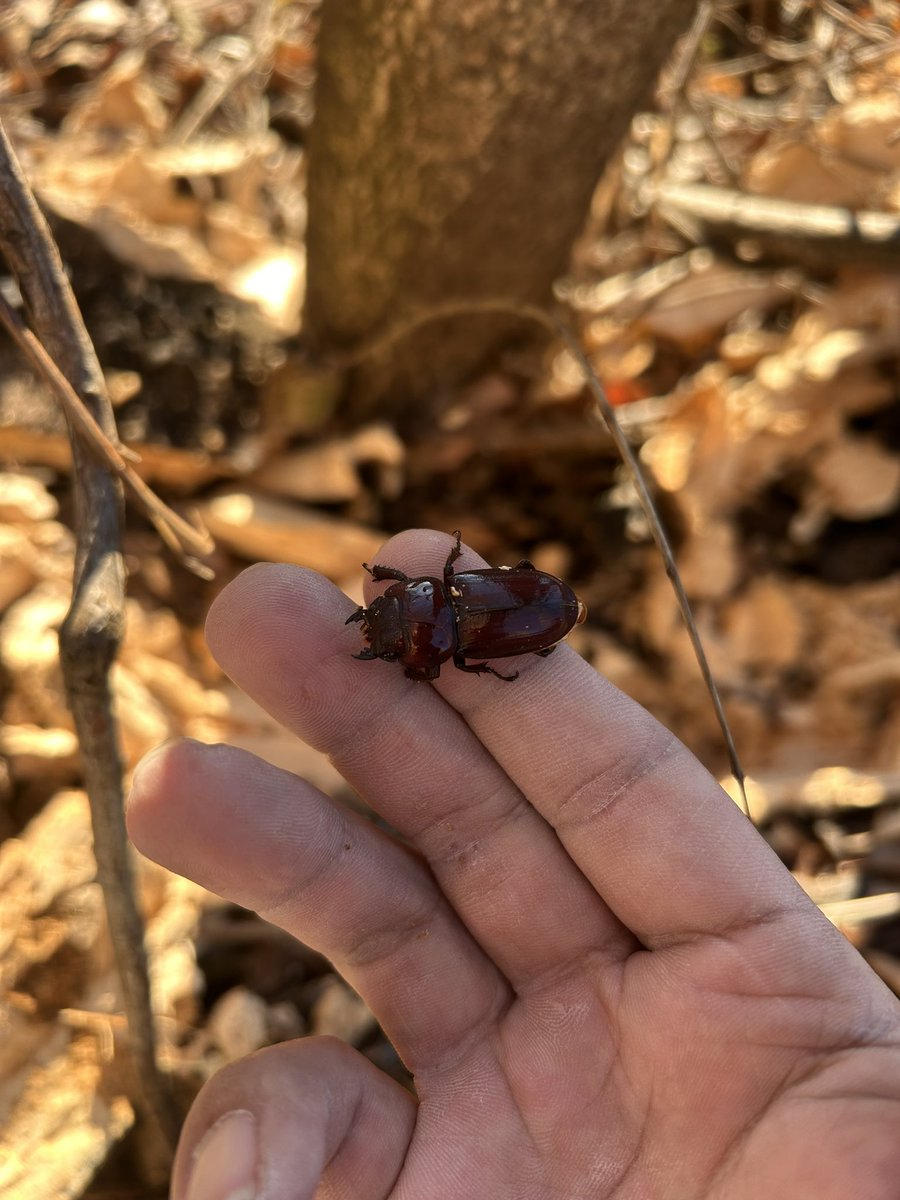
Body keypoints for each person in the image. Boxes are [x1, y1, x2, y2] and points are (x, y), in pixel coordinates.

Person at [127, 529, 900, 1200]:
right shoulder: (449, 605)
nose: (385, 622)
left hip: (525, 615)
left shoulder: (449, 633)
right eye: (388, 627)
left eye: (392, 622)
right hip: (525, 610)